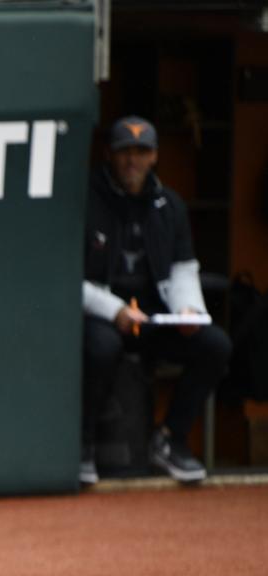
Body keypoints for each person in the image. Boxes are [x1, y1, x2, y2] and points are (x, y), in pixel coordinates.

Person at [81, 115, 232, 485]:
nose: (132, 161)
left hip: (153, 318)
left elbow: (183, 269)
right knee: (100, 348)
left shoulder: (170, 205)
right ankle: (82, 445)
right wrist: (114, 310)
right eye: (124, 153)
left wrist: (189, 311)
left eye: (141, 152)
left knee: (214, 345)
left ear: (155, 157)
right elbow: (68, 277)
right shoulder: (86, 198)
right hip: (101, 314)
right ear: (108, 155)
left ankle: (169, 440)